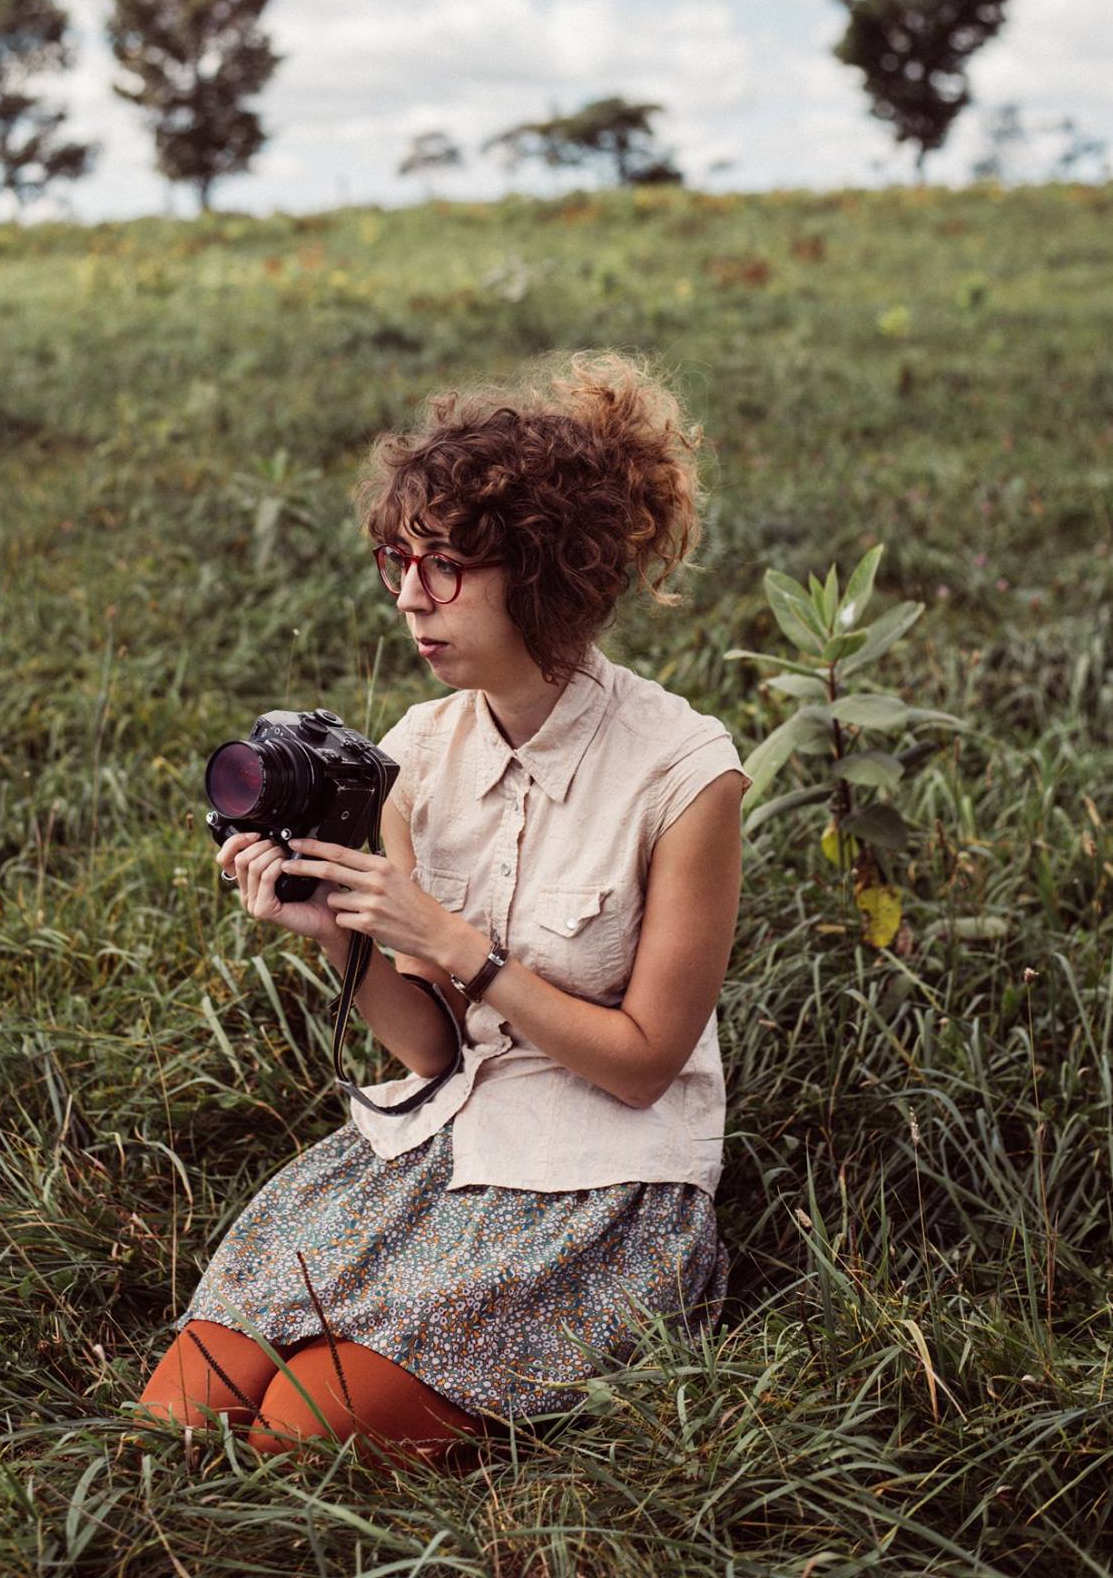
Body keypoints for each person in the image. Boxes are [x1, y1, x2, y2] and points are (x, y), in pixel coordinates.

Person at [134, 348, 752, 1467]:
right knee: (184, 1412)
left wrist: (459, 947)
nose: (411, 596)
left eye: (450, 565)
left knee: (300, 1435)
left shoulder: (685, 773)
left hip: (593, 1178)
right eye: (397, 559)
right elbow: (426, 1048)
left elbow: (643, 1061)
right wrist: (337, 933)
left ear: (548, 576)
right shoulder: (414, 752)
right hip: (434, 1145)